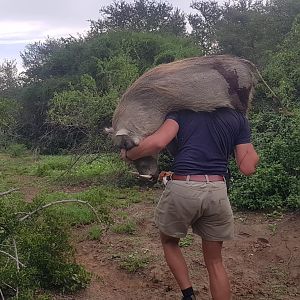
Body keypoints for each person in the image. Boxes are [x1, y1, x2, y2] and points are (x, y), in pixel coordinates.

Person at [121, 108, 259, 300]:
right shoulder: (238, 118)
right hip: (217, 189)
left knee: (169, 241)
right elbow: (247, 167)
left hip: (184, 186)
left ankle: (188, 295)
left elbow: (158, 142)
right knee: (215, 261)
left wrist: (129, 155)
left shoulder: (181, 112)